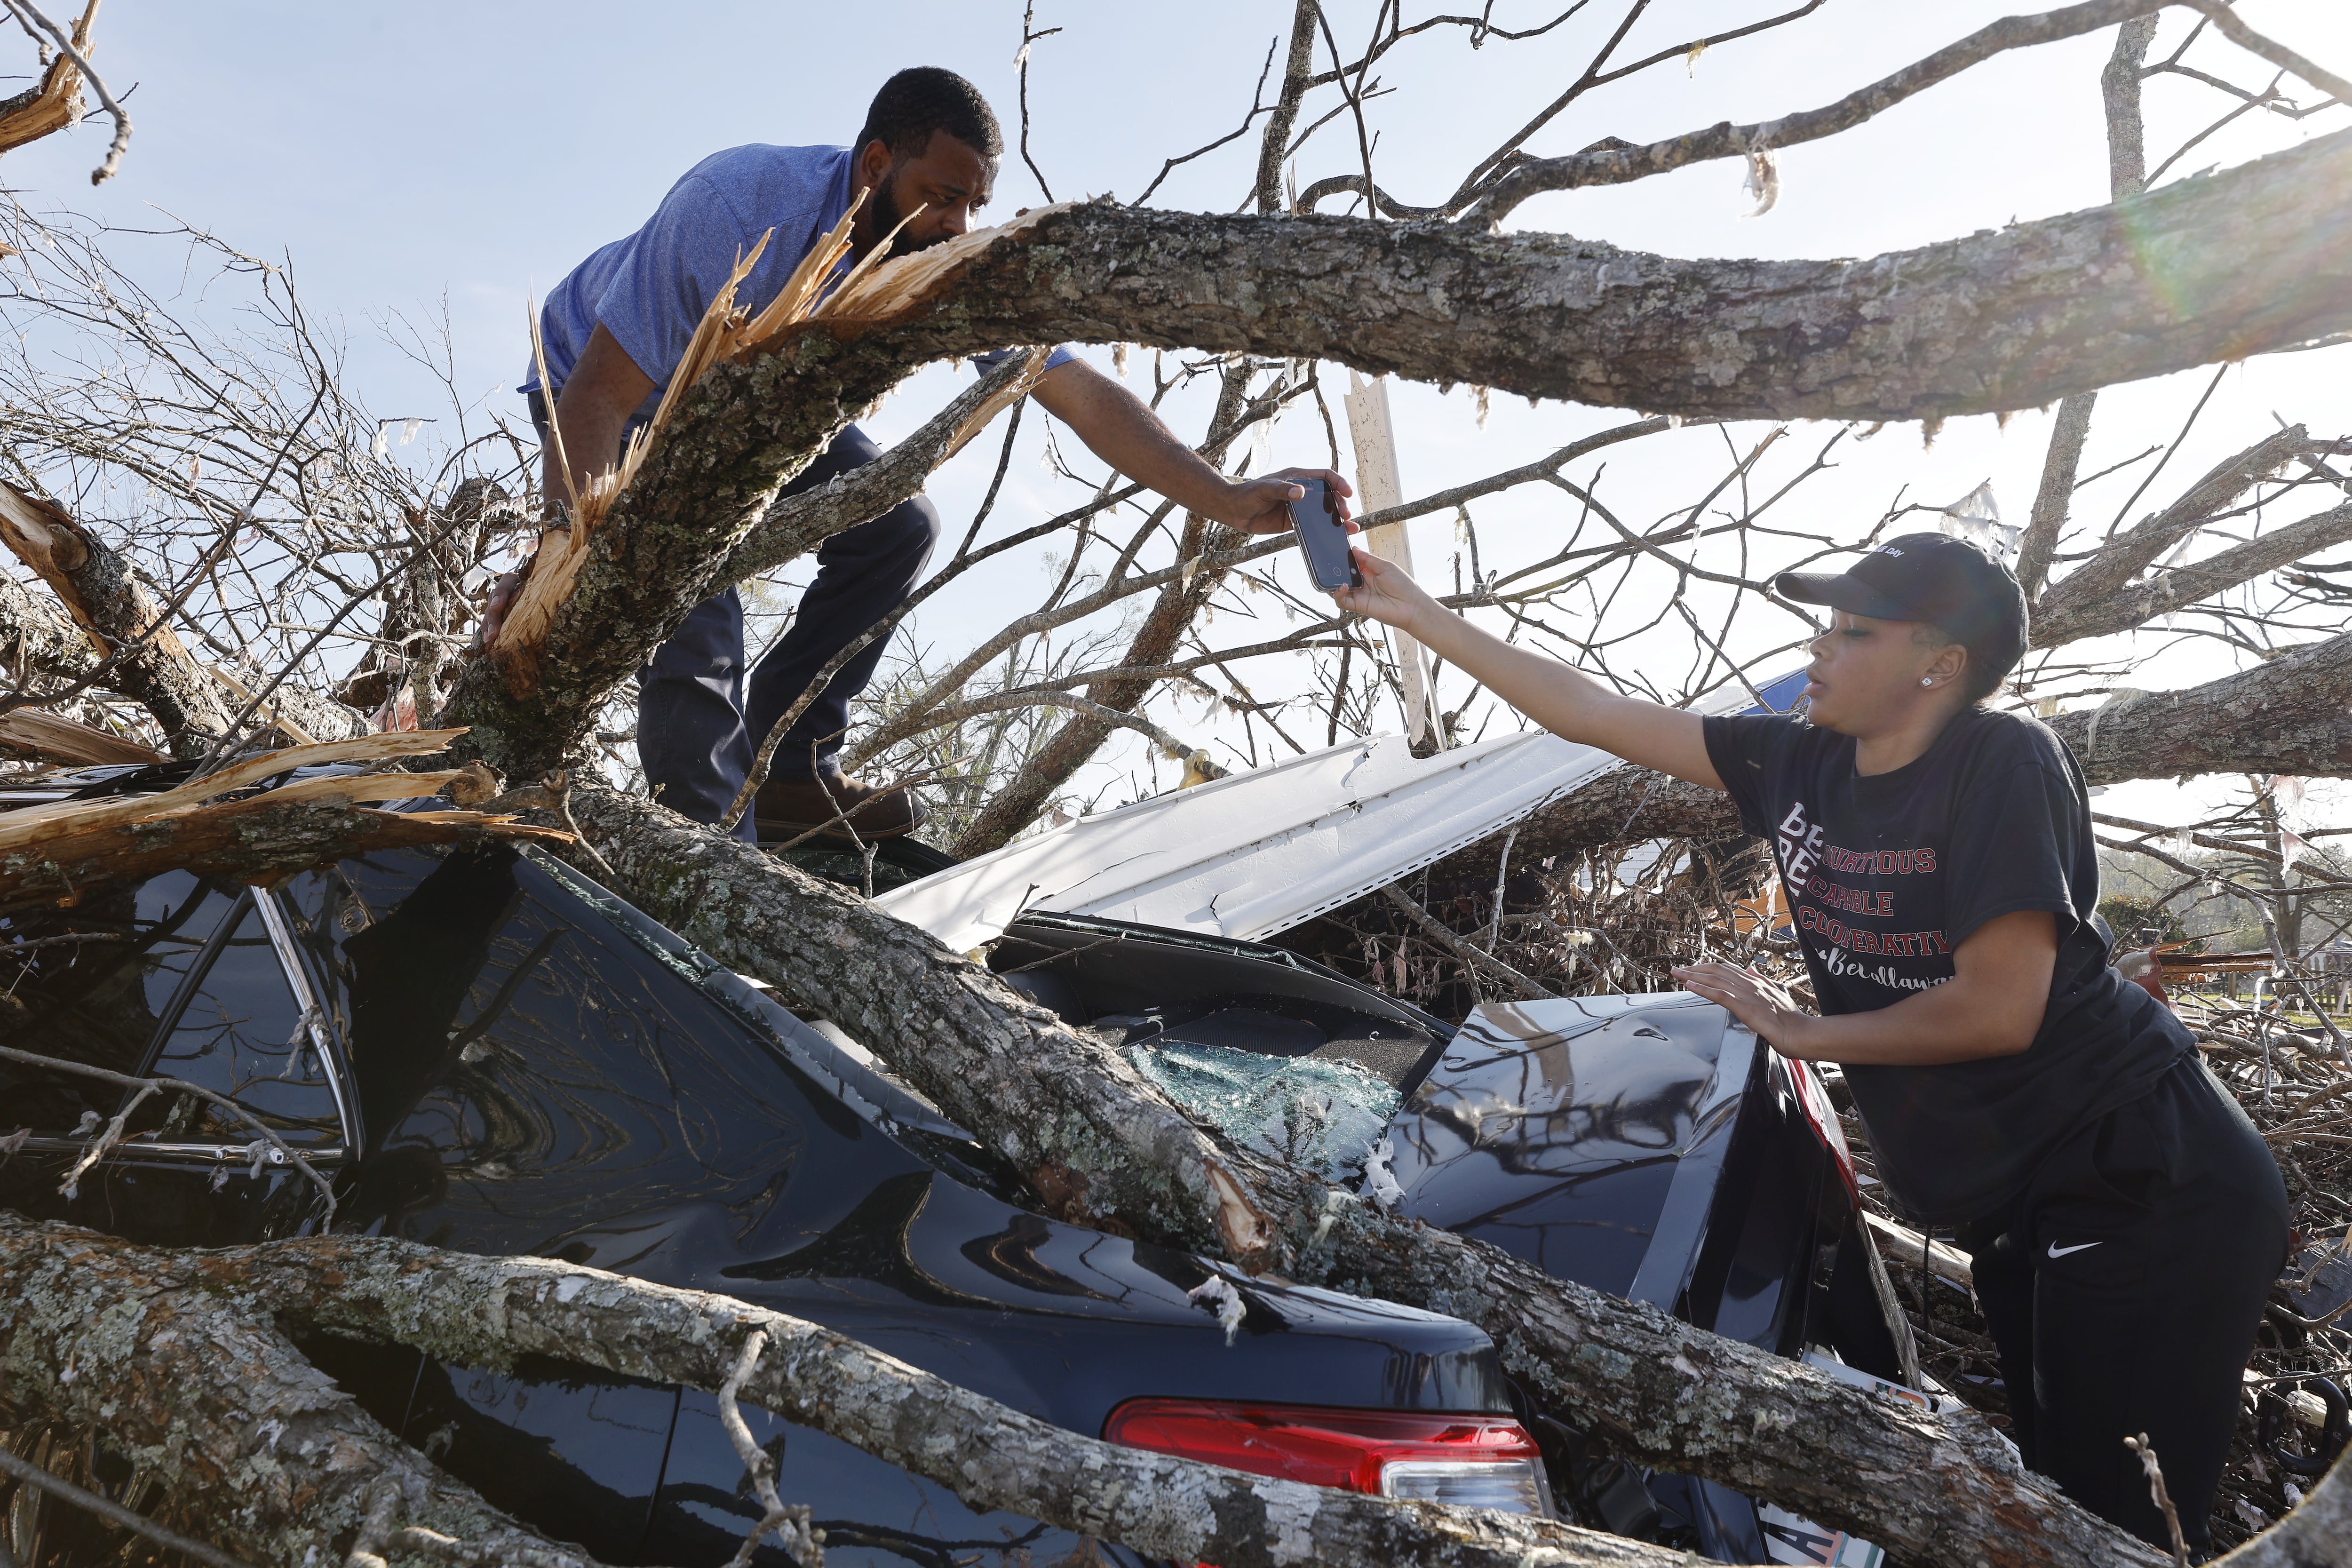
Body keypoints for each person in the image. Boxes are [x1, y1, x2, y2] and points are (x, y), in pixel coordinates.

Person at [1332, 530, 2287, 1554]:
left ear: (1940, 661)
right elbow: (1593, 712)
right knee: (2058, 1487)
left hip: (2143, 1177)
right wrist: (1419, 613)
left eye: (1853, 630)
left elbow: (1995, 1009)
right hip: (2019, 1195)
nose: (1819, 648)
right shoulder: (1795, 761)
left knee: (2122, 1518)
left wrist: (1798, 1028)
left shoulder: (2001, 760)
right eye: (1825, 625)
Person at [493, 67, 1346, 844]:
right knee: (696, 604)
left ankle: (792, 768)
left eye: (972, 205)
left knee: (898, 525)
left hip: (744, 407)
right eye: (941, 196)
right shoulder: (740, 208)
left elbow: (1079, 394)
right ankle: (715, 851)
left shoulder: (938, 255)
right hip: (612, 390)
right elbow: (597, 397)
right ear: (874, 165)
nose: (956, 226)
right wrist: (562, 558)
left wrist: (1226, 498)